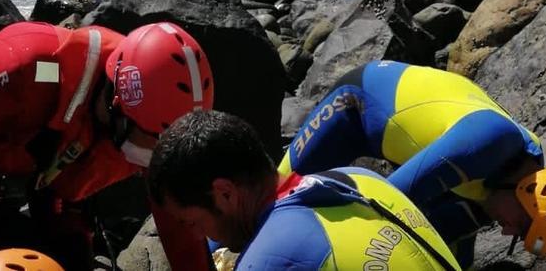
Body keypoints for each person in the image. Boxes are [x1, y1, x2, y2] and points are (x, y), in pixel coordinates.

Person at [0, 20, 215, 270]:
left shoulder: (148, 112)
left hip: (43, 168)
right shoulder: (28, 68)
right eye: (154, 145)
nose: (158, 158)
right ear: (117, 107)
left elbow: (183, 239)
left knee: (73, 256)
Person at [279, 60, 546, 265]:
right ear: (530, 193)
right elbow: (378, 206)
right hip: (357, 104)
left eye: (517, 235)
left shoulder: (509, 181)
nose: (505, 231)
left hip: (422, 149)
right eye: (521, 226)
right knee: (272, 198)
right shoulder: (489, 142)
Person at [148, 109, 466, 271]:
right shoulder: (359, 179)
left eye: (193, 222)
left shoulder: (269, 259)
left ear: (225, 193)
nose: (199, 235)